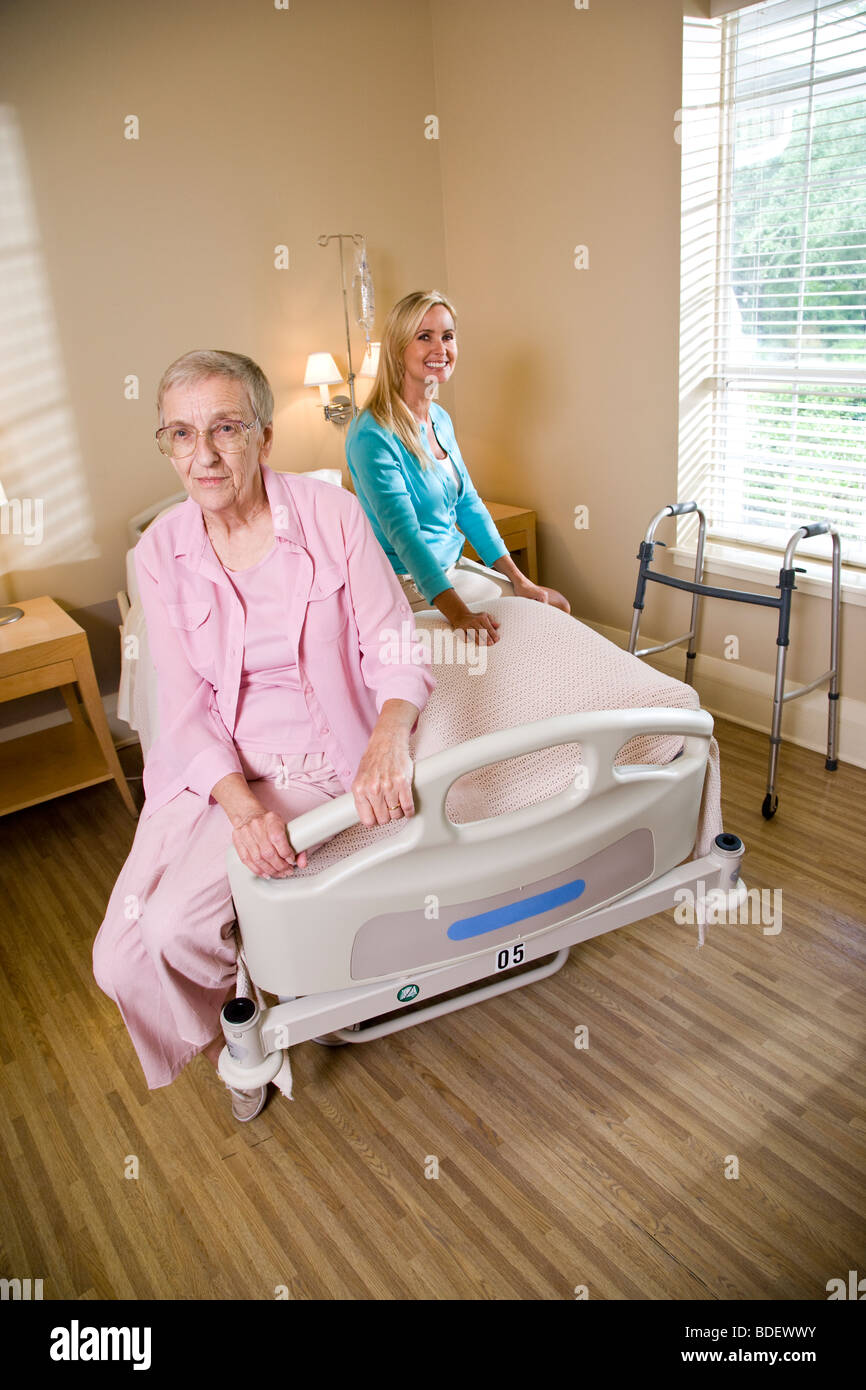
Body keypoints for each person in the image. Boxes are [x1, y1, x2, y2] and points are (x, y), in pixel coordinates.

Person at [93, 350, 434, 1121]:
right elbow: (179, 706)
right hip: (211, 775)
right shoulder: (161, 553)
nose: (203, 455)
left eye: (224, 429)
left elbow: (394, 645)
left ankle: (245, 1046)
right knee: (116, 958)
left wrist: (389, 733)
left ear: (265, 438)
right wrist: (242, 810)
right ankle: (232, 1011)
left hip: (317, 762)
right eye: (180, 434)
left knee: (178, 926)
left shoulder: (332, 518)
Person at [345, 290, 570, 645]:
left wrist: (520, 579)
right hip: (408, 582)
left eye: (447, 336)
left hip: (455, 567)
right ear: (397, 348)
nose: (441, 348)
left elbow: (468, 505)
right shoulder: (372, 435)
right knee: (531, 630)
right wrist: (459, 614)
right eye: (424, 337)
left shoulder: (439, 418)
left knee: (556, 606)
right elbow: (406, 538)